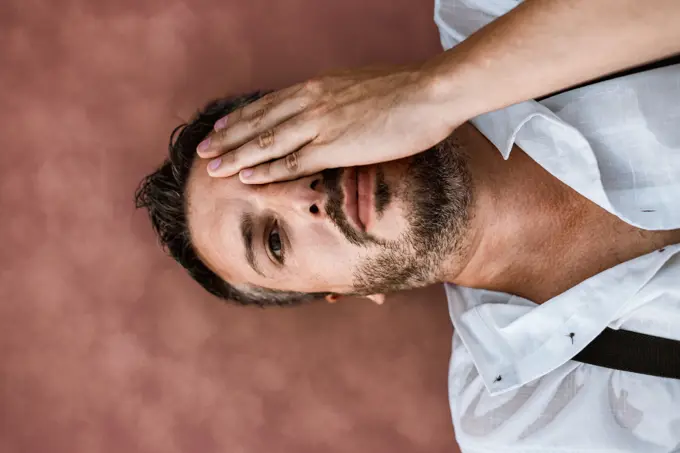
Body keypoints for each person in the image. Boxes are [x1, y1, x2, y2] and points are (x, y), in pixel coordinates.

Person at [135, 0, 680, 451]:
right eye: (274, 241)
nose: (306, 197)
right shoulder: (519, 422)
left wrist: (436, 90)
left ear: (316, 105)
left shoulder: (488, 7)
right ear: (344, 293)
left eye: (279, 156)